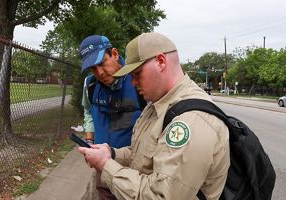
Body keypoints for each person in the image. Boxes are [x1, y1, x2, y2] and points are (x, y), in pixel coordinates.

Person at [78, 32, 230, 199]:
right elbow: (140, 155)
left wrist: (105, 165)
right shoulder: (156, 104)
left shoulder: (191, 120)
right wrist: (111, 154)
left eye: (137, 73)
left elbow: (160, 196)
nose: (133, 82)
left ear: (160, 61)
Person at [79, 35, 144, 200]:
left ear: (115, 54)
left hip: (133, 170)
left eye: (102, 63)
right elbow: (88, 112)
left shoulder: (138, 80)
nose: (99, 72)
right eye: (93, 68)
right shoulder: (90, 85)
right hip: (102, 167)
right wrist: (90, 141)